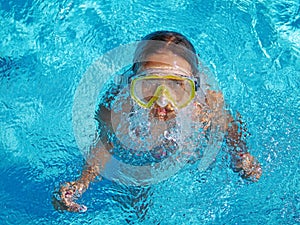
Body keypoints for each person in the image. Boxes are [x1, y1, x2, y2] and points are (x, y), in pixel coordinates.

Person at [53, 31, 262, 213]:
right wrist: (82, 182)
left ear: (194, 86)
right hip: (143, 154)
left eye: (177, 86)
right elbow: (103, 145)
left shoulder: (208, 104)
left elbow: (229, 127)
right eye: (149, 84)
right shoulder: (116, 107)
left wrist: (241, 154)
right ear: (132, 84)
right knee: (134, 198)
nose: (162, 100)